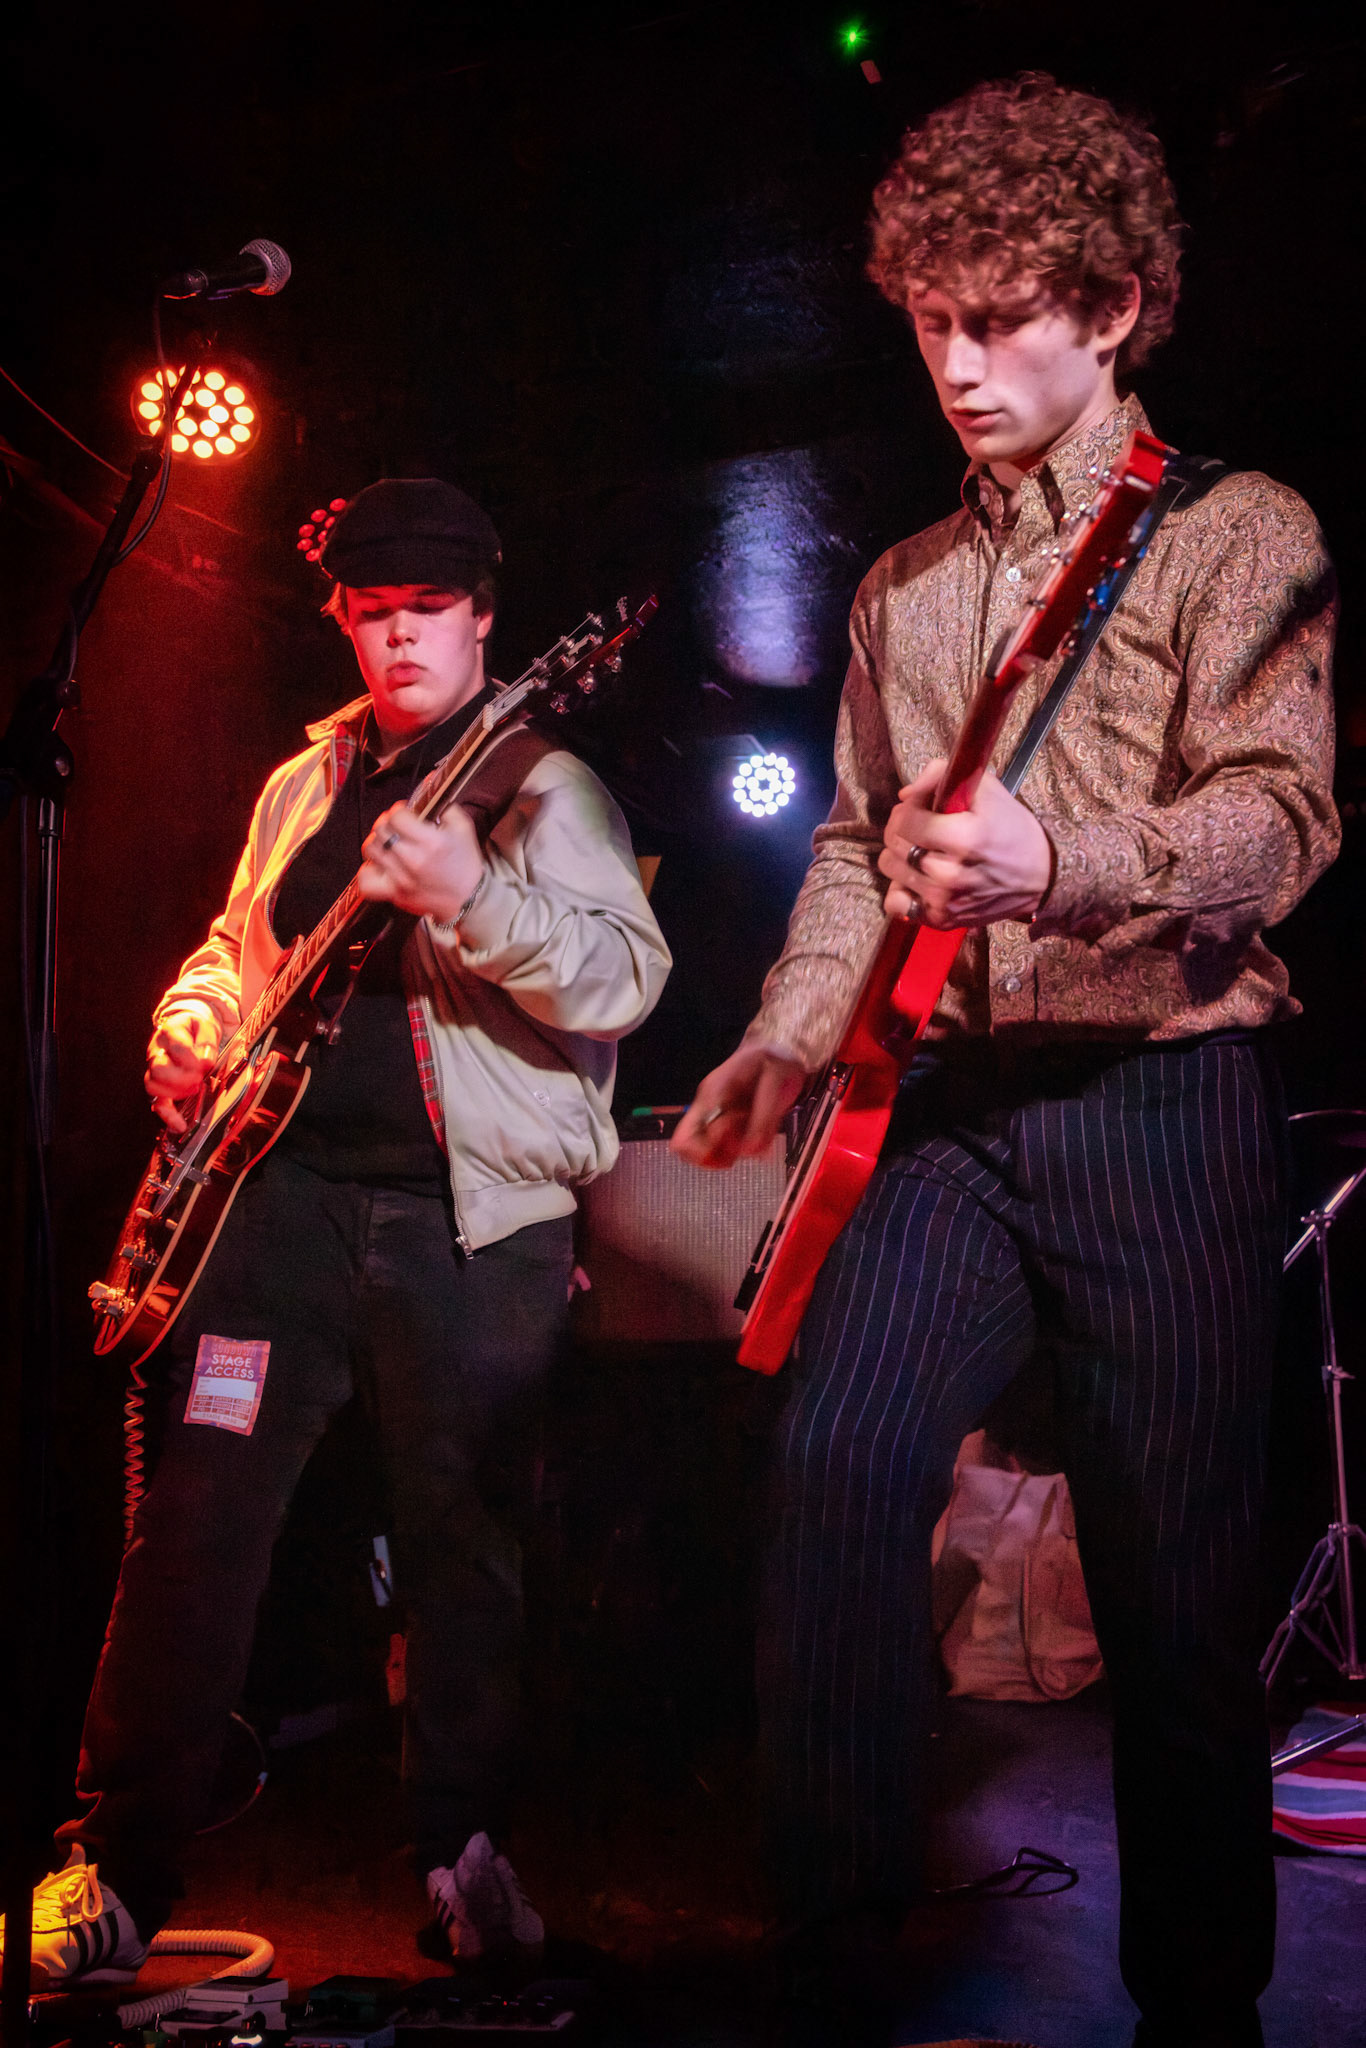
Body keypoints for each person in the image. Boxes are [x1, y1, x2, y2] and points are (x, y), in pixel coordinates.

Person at [673, 74, 1337, 2048]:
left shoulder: (1237, 531)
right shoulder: (897, 584)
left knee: (1174, 1598)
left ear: (1111, 307)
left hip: (1162, 1100)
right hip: (951, 1117)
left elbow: (1282, 818)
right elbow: (852, 845)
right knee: (836, 1466)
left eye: (995, 321)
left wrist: (1064, 864)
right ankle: (829, 1975)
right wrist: (784, 1035)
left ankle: (1198, 2014)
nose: (952, 367)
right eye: (925, 324)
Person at [4, 477, 670, 1985]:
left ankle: (466, 1853)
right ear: (344, 623)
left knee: (462, 1543)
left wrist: (474, 895)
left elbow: (622, 979)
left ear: (485, 618)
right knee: (195, 1526)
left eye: (429, 611)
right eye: (374, 615)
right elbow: (233, 946)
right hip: (278, 1204)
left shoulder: (542, 783)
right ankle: (114, 1867)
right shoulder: (304, 783)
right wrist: (188, 1021)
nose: (401, 639)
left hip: (469, 1219)